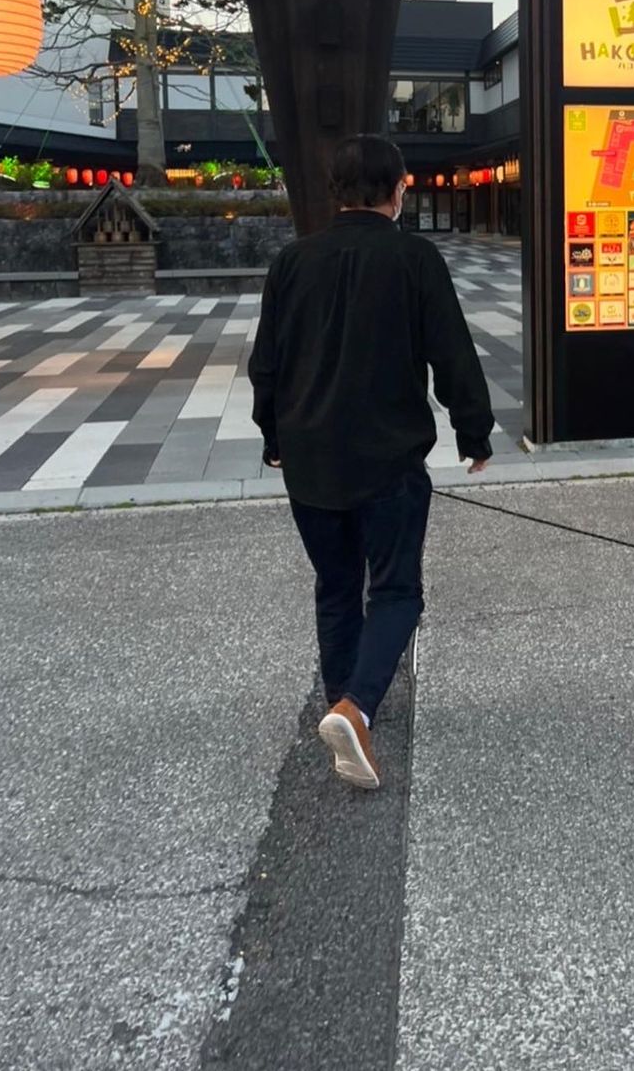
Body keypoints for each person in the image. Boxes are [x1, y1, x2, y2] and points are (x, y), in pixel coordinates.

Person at [249, 134, 493, 790]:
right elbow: (452, 352)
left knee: (335, 586)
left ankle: (343, 706)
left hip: (310, 464)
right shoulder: (413, 258)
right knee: (395, 591)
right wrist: (475, 433)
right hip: (387, 462)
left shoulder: (293, 262)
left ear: (336, 192)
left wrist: (271, 434)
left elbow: (266, 361)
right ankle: (356, 710)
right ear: (399, 188)